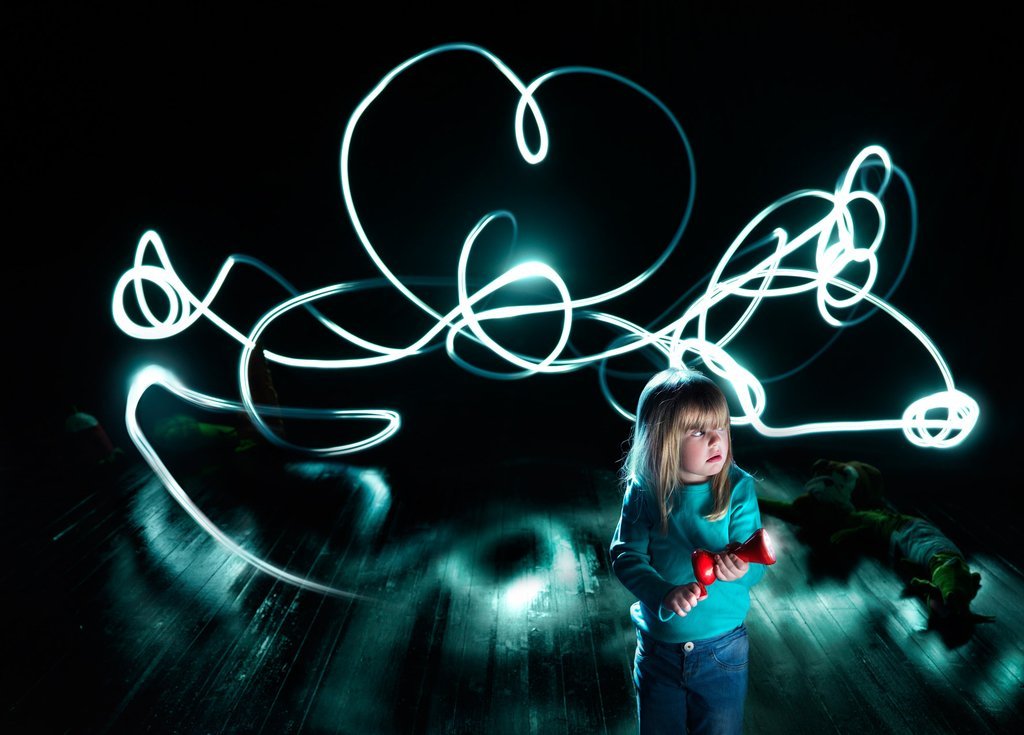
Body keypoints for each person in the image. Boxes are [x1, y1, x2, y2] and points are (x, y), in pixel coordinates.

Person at [609, 367, 767, 734]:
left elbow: (757, 564)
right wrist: (663, 593)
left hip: (723, 647)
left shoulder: (738, 488)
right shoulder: (645, 490)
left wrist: (743, 570)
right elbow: (626, 556)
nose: (715, 440)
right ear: (662, 440)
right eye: (698, 431)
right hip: (658, 650)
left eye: (721, 428)